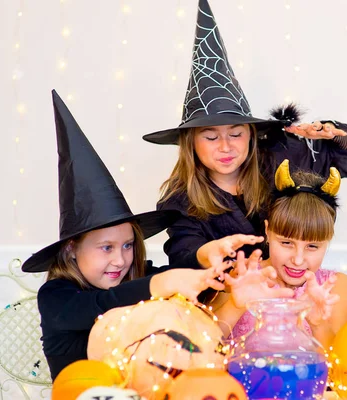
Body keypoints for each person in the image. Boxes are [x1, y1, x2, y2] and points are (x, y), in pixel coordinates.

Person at [23, 91, 261, 380]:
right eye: (106, 248)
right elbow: (104, 305)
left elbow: (193, 294)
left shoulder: (139, 277)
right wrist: (161, 283)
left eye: (127, 245)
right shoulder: (57, 296)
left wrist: (228, 284)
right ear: (72, 248)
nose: (120, 259)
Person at [142, 0, 347, 269]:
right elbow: (183, 255)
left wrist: (333, 133)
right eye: (211, 138)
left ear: (251, 135)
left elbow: (345, 152)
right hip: (230, 295)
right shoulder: (179, 200)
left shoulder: (281, 157)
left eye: (235, 134)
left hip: (295, 283)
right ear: (191, 144)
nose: (225, 147)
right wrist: (208, 252)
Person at [211, 160, 347, 348]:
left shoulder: (337, 288)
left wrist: (318, 324)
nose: (297, 260)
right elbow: (201, 349)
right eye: (286, 243)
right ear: (267, 231)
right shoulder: (240, 277)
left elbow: (343, 367)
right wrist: (234, 305)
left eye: (312, 247)